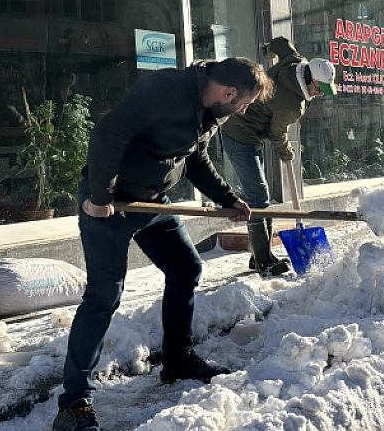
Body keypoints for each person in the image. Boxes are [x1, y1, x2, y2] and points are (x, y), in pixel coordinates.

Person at [52, 57, 273, 431]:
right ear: (229, 92)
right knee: (104, 295)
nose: (244, 110)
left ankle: (178, 359)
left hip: (152, 201)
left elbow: (194, 156)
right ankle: (73, 401)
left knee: (186, 267)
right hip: (111, 201)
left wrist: (226, 198)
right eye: (245, 103)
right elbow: (108, 134)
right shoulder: (164, 90)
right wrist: (102, 195)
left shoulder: (210, 111)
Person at [220, 37, 337, 277]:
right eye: (318, 88)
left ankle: (261, 256)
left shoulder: (295, 62)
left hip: (250, 134)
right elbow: (276, 132)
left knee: (260, 197)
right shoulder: (290, 103)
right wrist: (287, 151)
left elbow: (283, 43)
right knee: (258, 197)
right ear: (310, 78)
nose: (320, 94)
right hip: (240, 133)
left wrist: (268, 50)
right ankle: (264, 261)